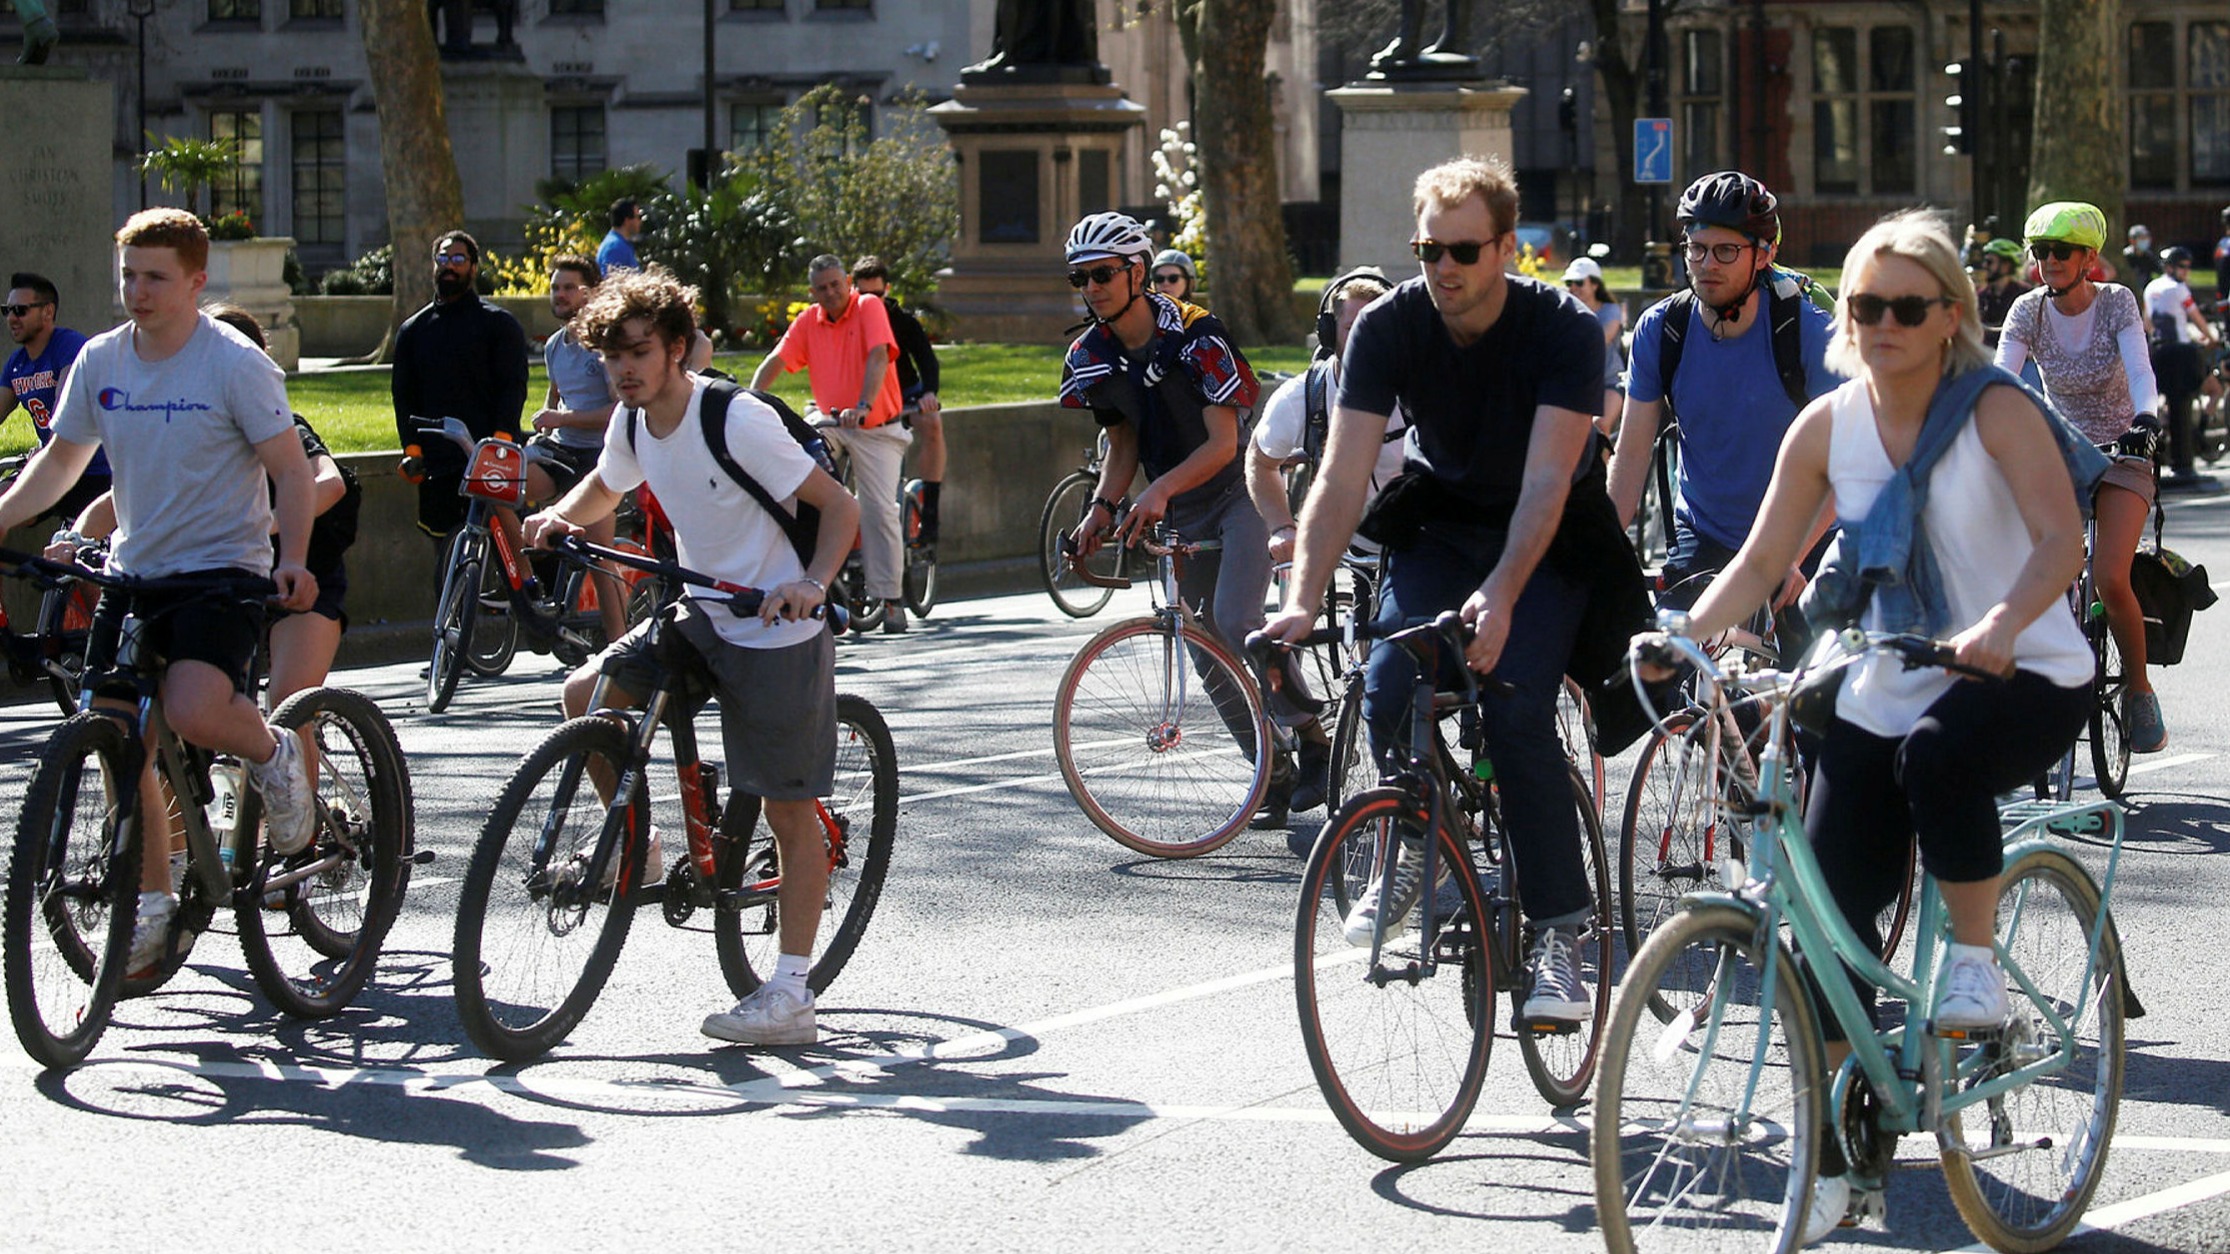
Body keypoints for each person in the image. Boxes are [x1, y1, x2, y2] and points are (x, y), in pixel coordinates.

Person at [1639, 210, 2094, 1243]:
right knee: (1828, 933)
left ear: (1948, 317)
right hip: (1887, 675)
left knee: (1942, 757)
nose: (1881, 323)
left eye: (1905, 306)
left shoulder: (1994, 409)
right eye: (1863, 306)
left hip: (2025, 672)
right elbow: (1758, 564)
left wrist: (1998, 624)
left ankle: (1972, 972)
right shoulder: (1829, 425)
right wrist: (1682, 634)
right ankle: (1849, 1162)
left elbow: (2060, 537)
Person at [1260, 156, 1631, 1025]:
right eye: (1429, 250)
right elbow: (1343, 475)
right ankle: (1419, 848)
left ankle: (1563, 931)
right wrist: (1298, 600)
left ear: (1508, 248)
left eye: (1464, 250)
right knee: (1386, 687)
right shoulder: (1388, 327)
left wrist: (1502, 595)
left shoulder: (1563, 330)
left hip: (1548, 537)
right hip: (1440, 523)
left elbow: (1546, 485)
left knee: (1510, 704)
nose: (1445, 269)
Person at [522, 266, 860, 1047]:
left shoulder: (735, 420)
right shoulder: (634, 423)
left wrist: (811, 583)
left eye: (639, 353)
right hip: (703, 610)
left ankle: (791, 992)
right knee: (586, 695)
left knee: (785, 808)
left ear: (677, 348)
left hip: (777, 624)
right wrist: (557, 517)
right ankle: (639, 850)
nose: (625, 370)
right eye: (613, 358)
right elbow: (605, 487)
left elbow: (837, 508)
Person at [0, 208, 319, 974]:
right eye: (128, 276)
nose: (137, 292)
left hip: (222, 571)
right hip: (131, 574)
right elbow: (59, 463)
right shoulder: (103, 360)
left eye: (155, 278)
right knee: (117, 746)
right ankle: (151, 902)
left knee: (192, 707)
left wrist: (295, 558)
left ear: (195, 282)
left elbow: (291, 470)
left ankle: (274, 755)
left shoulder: (232, 361)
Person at [1058, 210, 1329, 826]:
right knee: (1203, 649)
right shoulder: (1091, 353)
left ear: (1138, 272)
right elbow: (1123, 445)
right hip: (1179, 507)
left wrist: (1157, 495)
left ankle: (1312, 737)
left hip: (1240, 493)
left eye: (1103, 274)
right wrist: (1101, 508)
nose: (1093, 288)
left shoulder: (1197, 336)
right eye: (1080, 279)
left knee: (1235, 620)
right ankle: (1271, 774)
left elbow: (1224, 445)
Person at [52, 304, 361, 715]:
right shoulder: (185, 421)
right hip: (212, 577)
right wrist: (75, 539)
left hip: (300, 577)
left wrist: (266, 524)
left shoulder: (281, 422)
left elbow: (329, 482)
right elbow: (119, 497)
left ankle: (287, 773)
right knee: (165, 715)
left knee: (288, 703)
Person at [1607, 170, 1841, 609]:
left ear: (1764, 255)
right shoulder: (1662, 330)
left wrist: (1789, 560)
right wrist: (1596, 548)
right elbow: (1633, 453)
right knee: (1663, 664)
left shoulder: (1809, 334)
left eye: (1726, 250)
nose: (1707, 264)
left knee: (1808, 675)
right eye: (1697, 248)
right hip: (1707, 536)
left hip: (1804, 539)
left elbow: (1846, 464)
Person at [1994, 201, 2170, 752]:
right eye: (2040, 251)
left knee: (2109, 576)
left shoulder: (2117, 302)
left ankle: (2138, 688)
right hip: (2062, 454)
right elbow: (2003, 376)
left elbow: (2141, 369)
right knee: (2037, 573)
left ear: (2089, 258)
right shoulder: (2028, 310)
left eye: (2060, 251)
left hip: (2124, 452)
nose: (2048, 261)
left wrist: (2146, 420)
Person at [1244, 267, 1398, 817]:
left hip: (1423, 545)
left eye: (1373, 328)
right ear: (1328, 333)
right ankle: (1343, 759)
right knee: (1372, 679)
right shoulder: (1305, 396)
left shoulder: (1423, 384)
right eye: (1349, 328)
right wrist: (1283, 527)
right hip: (1352, 550)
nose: (1360, 341)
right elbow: (1260, 461)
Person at [749, 254, 911, 632]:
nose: (831, 293)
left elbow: (877, 356)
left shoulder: (868, 306)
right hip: (831, 423)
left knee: (878, 509)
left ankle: (890, 600)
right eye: (822, 288)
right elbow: (776, 360)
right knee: (793, 479)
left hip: (876, 426)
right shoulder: (809, 320)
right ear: (812, 292)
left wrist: (863, 405)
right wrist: (748, 401)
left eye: (836, 284)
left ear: (849, 281)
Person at [391, 230, 529, 542]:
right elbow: (404, 397)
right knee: (446, 549)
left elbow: (512, 387)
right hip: (437, 462)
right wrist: (412, 449)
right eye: (442, 258)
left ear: (474, 267)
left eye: (458, 259)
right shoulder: (413, 331)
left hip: (489, 456)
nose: (449, 266)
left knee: (511, 545)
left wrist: (501, 441)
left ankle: (527, 590)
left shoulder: (500, 325)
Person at [528, 254, 629, 641]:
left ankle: (619, 647)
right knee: (502, 487)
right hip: (561, 452)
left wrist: (564, 420)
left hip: (599, 458)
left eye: (570, 287)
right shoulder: (555, 346)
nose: (561, 295)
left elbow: (618, 410)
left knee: (602, 553)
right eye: (556, 288)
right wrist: (548, 421)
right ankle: (528, 585)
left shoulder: (603, 347)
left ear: (591, 293)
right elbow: (555, 398)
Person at [850, 256, 945, 547]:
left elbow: (927, 361)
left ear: (887, 290)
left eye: (877, 295)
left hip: (905, 392)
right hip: (863, 397)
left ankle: (930, 510)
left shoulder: (902, 321)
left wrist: (929, 393)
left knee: (930, 423)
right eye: (864, 295)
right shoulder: (847, 320)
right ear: (853, 290)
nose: (872, 302)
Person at [0, 272, 105, 523]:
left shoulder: (71, 347)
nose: (12, 318)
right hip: (53, 470)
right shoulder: (17, 363)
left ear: (47, 312)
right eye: (7, 310)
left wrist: (36, 467)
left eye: (20, 310)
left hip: (94, 471)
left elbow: (64, 413)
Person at [2145, 245, 2223, 491]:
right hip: (2181, 353)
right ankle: (2186, 459)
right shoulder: (2178, 289)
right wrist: (2210, 338)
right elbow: (2196, 316)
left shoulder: (2151, 287)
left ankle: (2180, 444)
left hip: (2159, 351)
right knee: (2201, 393)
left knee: (2170, 400)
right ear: (2170, 267)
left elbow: (2147, 322)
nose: (2187, 272)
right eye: (2183, 267)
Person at [1560, 256, 1625, 436]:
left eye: (1579, 282)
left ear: (1595, 285)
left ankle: (1604, 465)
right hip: (1576, 384)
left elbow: (1599, 341)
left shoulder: (1610, 310)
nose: (1573, 288)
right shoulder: (1564, 311)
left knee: (1599, 425)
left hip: (1609, 382)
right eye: (1569, 282)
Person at [1973, 236, 2031, 350]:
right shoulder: (1981, 296)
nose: (1984, 266)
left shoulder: (2025, 296)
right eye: (1985, 261)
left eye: (1989, 262)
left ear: (2006, 266)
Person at [597, 197, 643, 275]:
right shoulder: (615, 248)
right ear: (627, 220)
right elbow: (612, 282)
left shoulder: (620, 244)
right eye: (638, 217)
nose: (640, 221)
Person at [2122, 224, 2162, 292]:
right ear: (2132, 240)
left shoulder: (2149, 257)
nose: (2145, 241)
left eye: (2146, 238)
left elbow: (2159, 272)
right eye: (2142, 238)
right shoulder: (2125, 256)